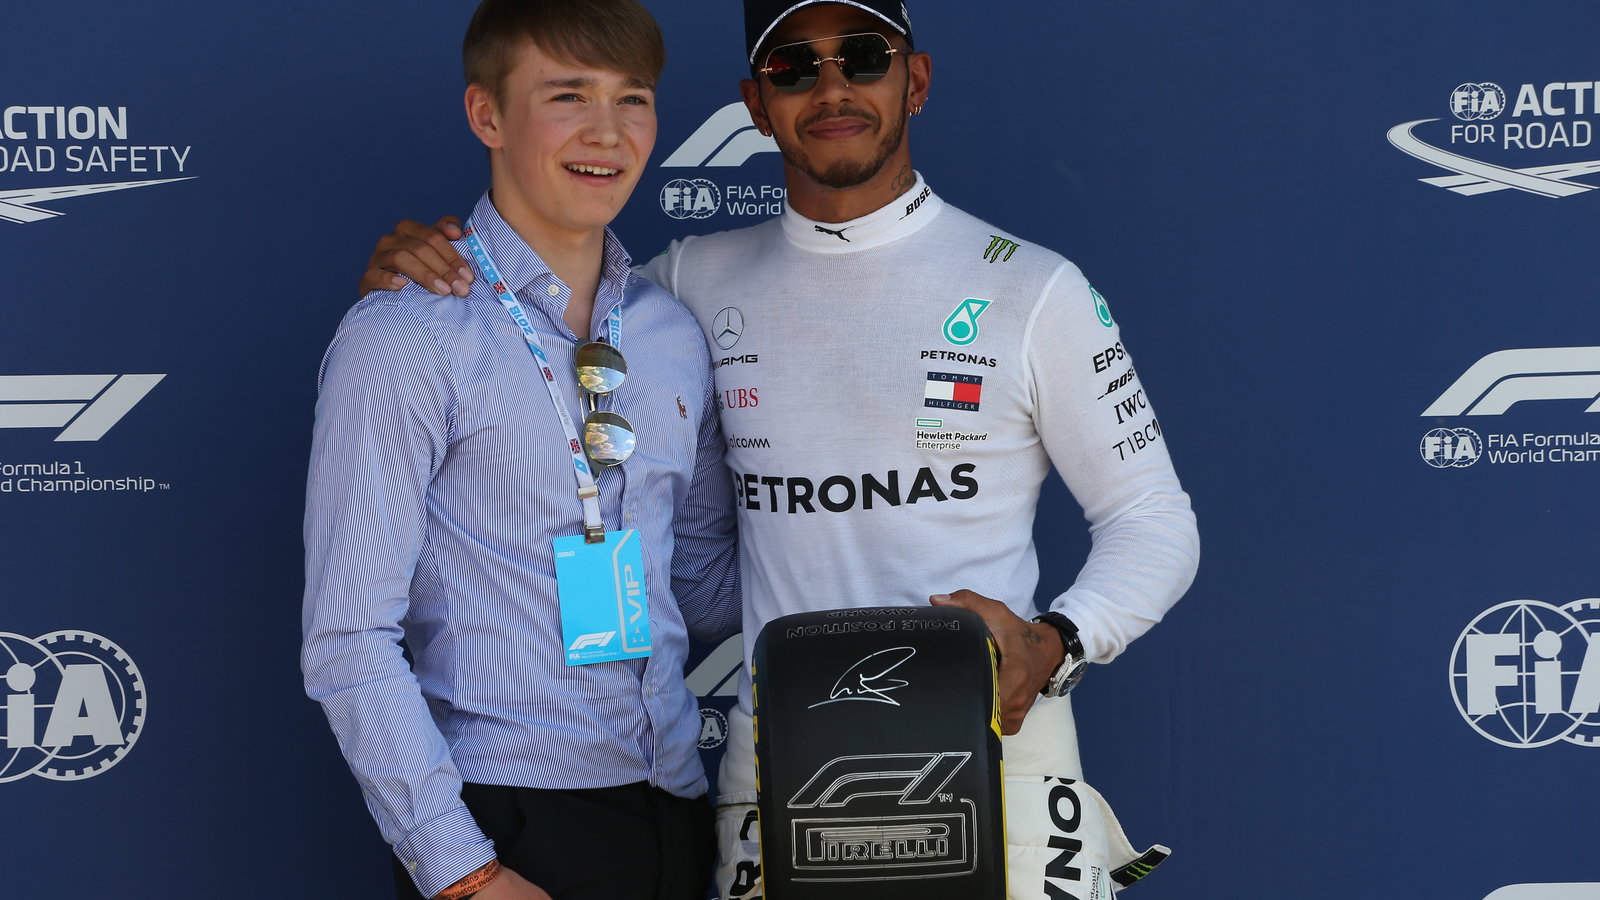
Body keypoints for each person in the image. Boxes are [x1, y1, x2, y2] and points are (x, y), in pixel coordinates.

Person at [358, 2, 1200, 896]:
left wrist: (1056, 642)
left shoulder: (1034, 288)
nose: (831, 87)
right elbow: (535, 312)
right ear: (756, 104)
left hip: (1000, 764)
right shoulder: (684, 287)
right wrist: (438, 273)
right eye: (794, 67)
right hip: (779, 779)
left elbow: (1153, 518)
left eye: (863, 57)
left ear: (914, 80)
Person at [301, 2, 741, 899]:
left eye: (632, 98)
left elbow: (701, 584)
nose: (608, 132)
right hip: (505, 823)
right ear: (487, 115)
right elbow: (348, 637)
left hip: (678, 807)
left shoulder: (670, 331)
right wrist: (463, 872)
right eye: (568, 96)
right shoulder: (407, 335)